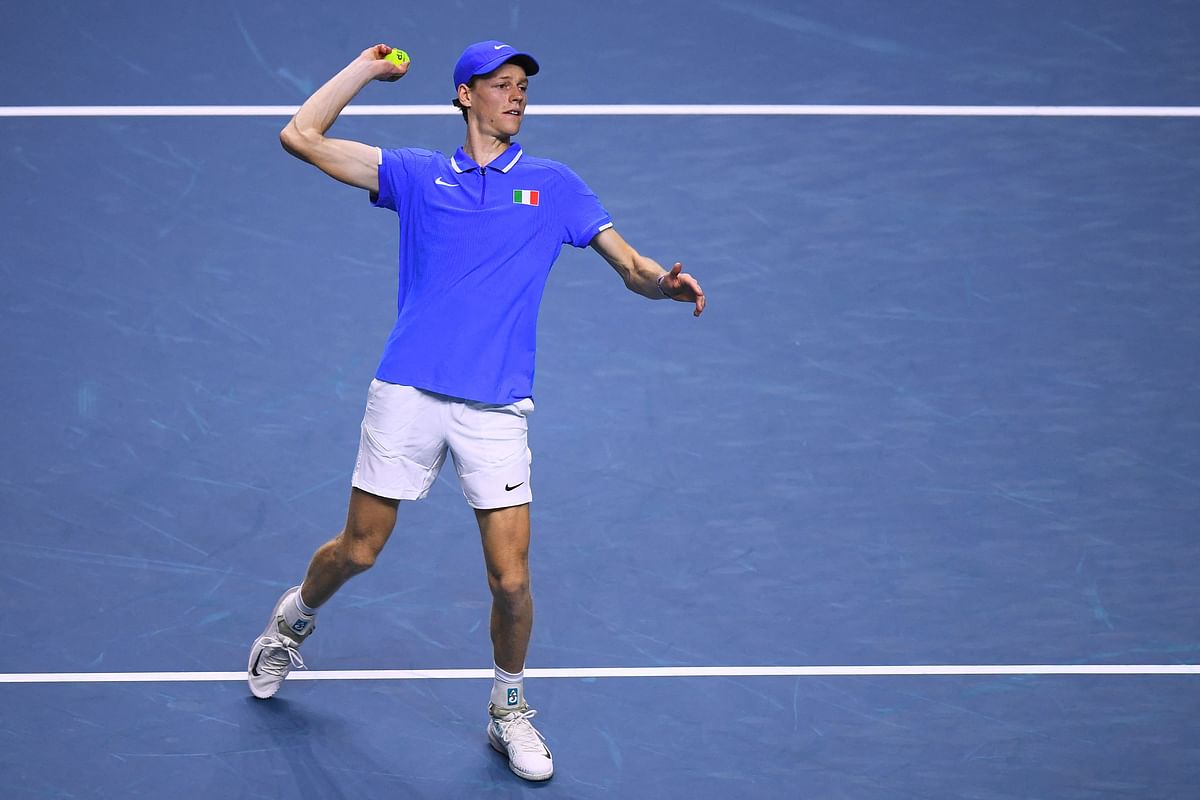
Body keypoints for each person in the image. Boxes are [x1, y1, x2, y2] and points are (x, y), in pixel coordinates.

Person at [246, 40, 706, 782]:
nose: (518, 97)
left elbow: (630, 265)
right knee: (359, 551)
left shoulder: (554, 186)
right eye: (501, 85)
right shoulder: (416, 175)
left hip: (495, 408)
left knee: (512, 581)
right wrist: (367, 69)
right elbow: (301, 135)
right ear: (465, 96)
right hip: (408, 391)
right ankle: (294, 618)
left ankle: (507, 709)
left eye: (523, 86)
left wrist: (664, 284)